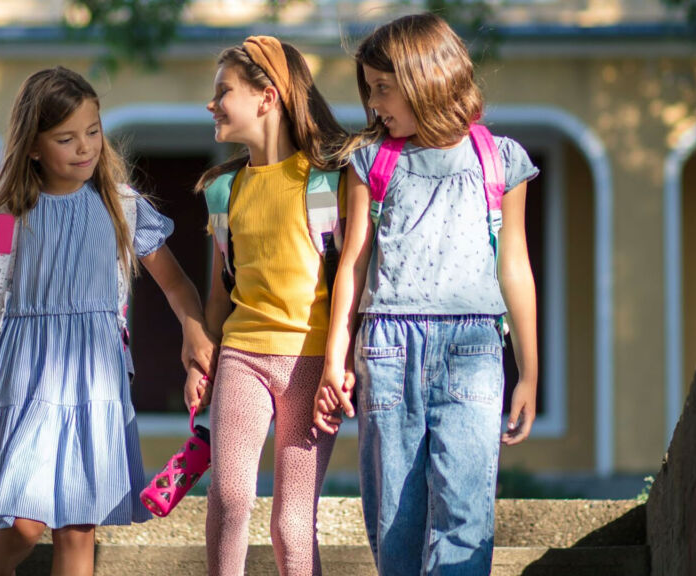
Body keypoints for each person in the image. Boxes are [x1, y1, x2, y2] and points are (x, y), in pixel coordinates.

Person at [0, 66, 213, 576]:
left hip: (94, 381)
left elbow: (177, 284)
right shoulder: (6, 217)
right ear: (33, 147)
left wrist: (193, 327)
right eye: (66, 138)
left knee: (78, 525)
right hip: (23, 378)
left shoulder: (120, 206)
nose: (85, 147)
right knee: (23, 522)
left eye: (93, 131)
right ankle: (0, 567)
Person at [313, 13, 540, 576]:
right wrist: (334, 359)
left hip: (475, 348)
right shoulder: (372, 161)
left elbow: (515, 266)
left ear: (426, 78)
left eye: (383, 88)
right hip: (388, 350)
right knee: (395, 522)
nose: (373, 104)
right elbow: (354, 264)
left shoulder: (501, 160)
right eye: (369, 90)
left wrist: (529, 372)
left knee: (465, 521)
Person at [185, 36, 348, 576]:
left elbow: (351, 275)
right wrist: (199, 362)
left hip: (310, 363)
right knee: (230, 499)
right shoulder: (223, 191)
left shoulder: (327, 181)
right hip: (243, 357)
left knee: (291, 523)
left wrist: (341, 367)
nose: (212, 104)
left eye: (222, 92)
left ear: (266, 97)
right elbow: (218, 292)